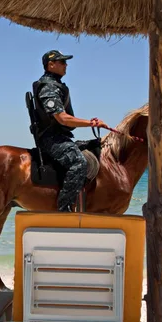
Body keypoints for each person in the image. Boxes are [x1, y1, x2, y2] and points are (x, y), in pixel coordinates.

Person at [32, 50, 108, 212]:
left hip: (60, 136)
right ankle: (64, 209)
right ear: (51, 65)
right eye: (62, 62)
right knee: (79, 162)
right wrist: (91, 123)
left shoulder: (55, 85)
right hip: (51, 138)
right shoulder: (48, 87)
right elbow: (62, 119)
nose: (66, 65)